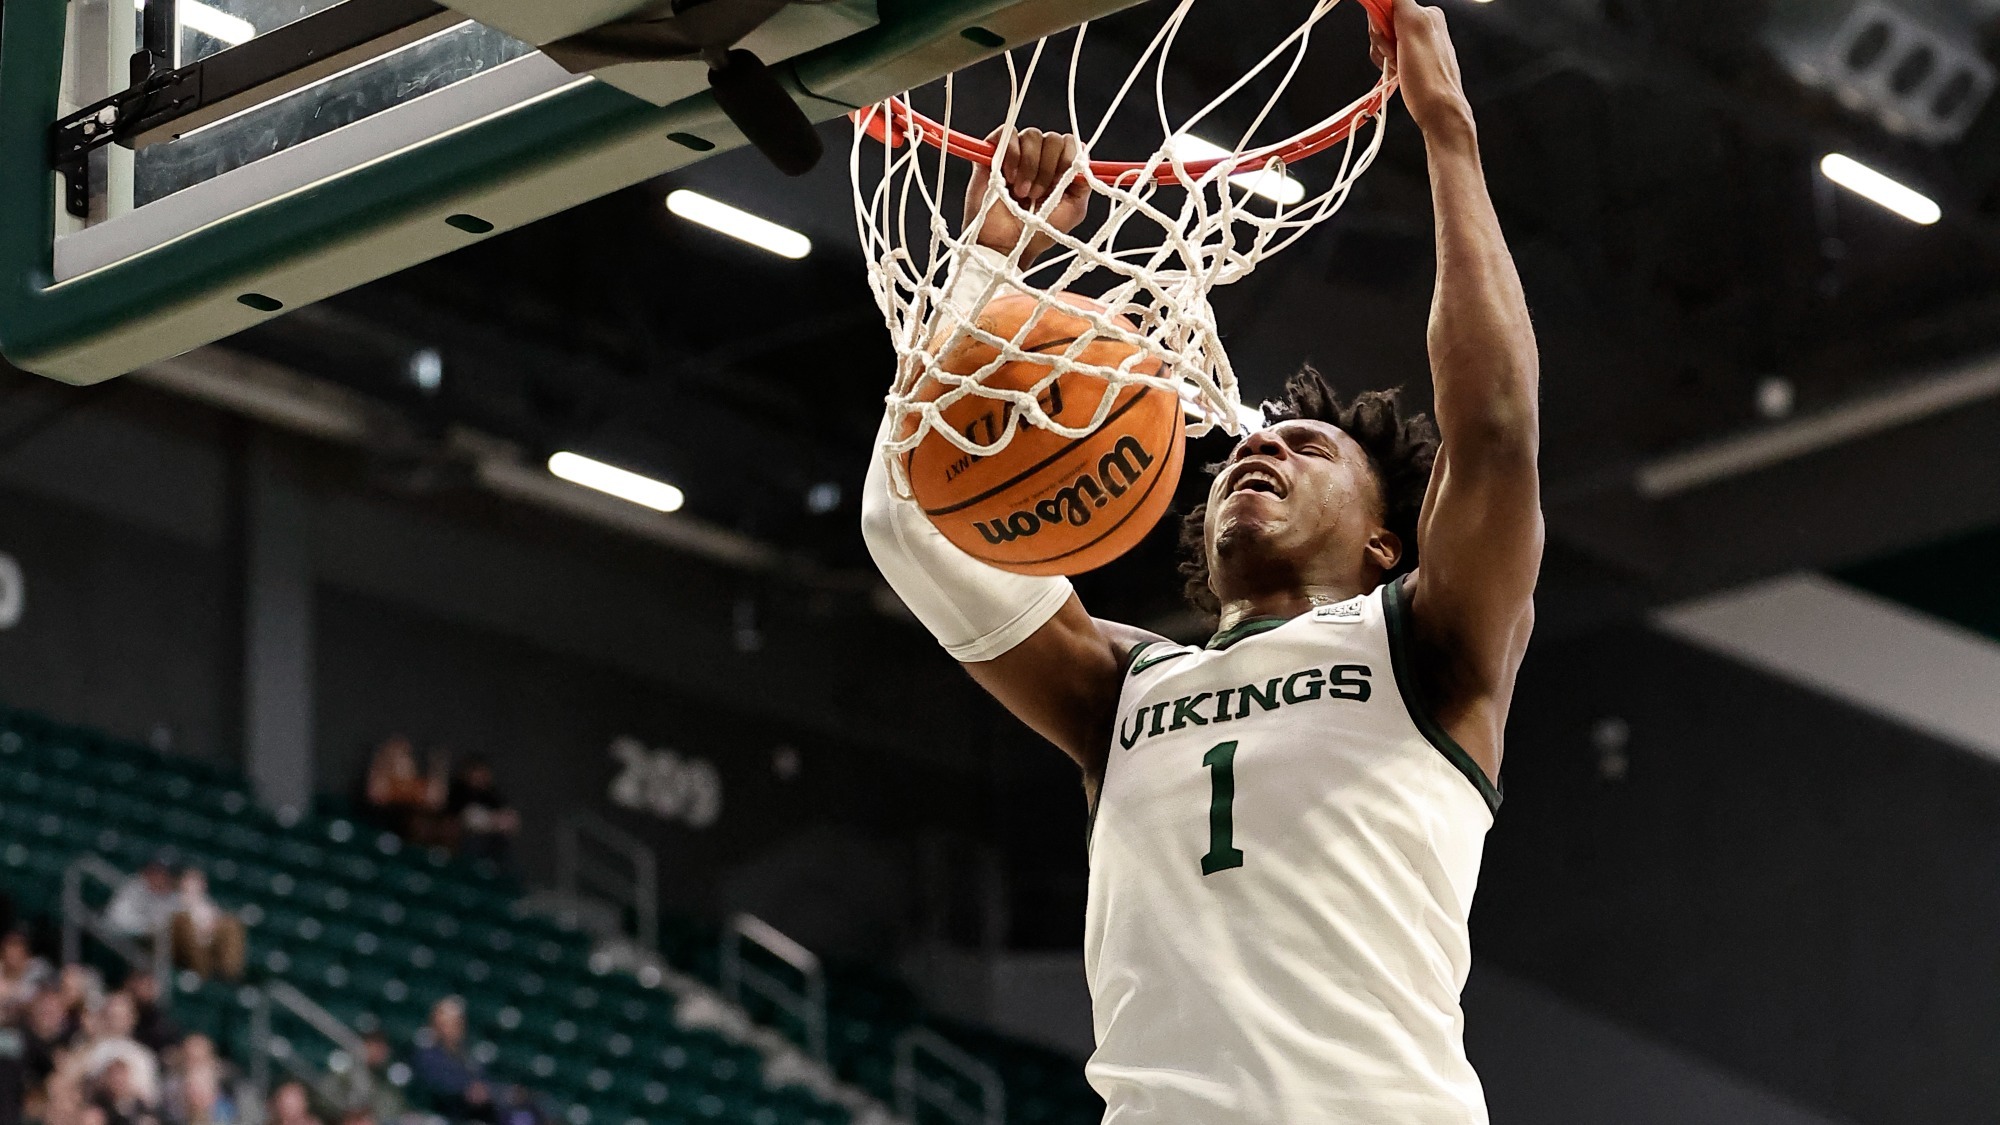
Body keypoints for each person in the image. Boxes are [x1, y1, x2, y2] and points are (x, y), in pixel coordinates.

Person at [858, 2, 1540, 1121]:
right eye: (1250, 445)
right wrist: (991, 260)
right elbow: (908, 523)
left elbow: (1497, 425)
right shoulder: (1118, 688)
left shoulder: (1424, 645)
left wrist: (1448, 130)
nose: (1257, 446)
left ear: (1386, 543)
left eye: (1305, 446)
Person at [407, 999, 492, 1123]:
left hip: (466, 1115)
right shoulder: (425, 1054)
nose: (452, 1029)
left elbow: (483, 1080)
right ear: (434, 1025)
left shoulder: (469, 1054)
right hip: (435, 1113)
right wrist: (465, 1090)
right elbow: (434, 1082)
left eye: (456, 1024)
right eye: (445, 1024)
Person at [363, 737, 448, 846]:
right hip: (384, 830)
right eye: (397, 757)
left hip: (414, 838)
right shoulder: (385, 783)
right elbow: (376, 796)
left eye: (406, 756)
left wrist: (438, 767)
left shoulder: (418, 784)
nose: (404, 762)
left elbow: (436, 801)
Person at [166, 871, 244, 983]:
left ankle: (230, 975)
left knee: (231, 923)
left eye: (197, 882)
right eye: (190, 881)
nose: (193, 886)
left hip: (206, 942)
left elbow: (216, 923)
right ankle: (203, 976)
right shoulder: (173, 899)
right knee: (184, 923)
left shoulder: (206, 903)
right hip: (181, 948)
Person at [445, 758, 519, 865]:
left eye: (484, 773)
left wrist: (489, 822)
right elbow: (468, 819)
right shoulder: (458, 792)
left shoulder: (492, 795)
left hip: (492, 845)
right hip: (463, 845)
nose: (481, 777)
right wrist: (493, 821)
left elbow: (511, 821)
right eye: (478, 773)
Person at [103, 862, 179, 944]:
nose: (161, 878)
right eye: (156, 873)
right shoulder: (134, 888)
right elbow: (118, 918)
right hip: (118, 939)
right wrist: (148, 928)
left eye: (165, 874)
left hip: (156, 943)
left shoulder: (174, 896)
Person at [0, 932, 53, 1020]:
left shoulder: (39, 970)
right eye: (9, 951)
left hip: (33, 1022)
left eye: (17, 951)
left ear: (26, 953)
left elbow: (48, 998)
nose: (13, 956)